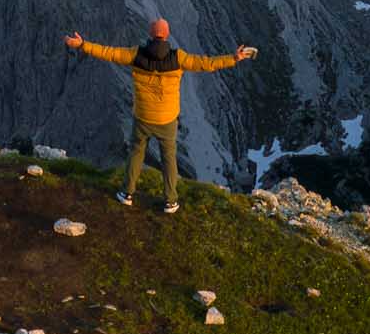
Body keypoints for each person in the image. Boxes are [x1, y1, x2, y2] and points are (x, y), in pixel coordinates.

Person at [65, 16, 256, 213]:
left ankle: (126, 193)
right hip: (167, 120)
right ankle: (171, 201)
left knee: (136, 153)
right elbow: (206, 64)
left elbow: (109, 53)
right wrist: (234, 58)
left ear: (150, 34)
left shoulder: (135, 54)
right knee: (169, 159)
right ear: (167, 35)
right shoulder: (178, 58)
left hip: (143, 117)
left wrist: (82, 45)